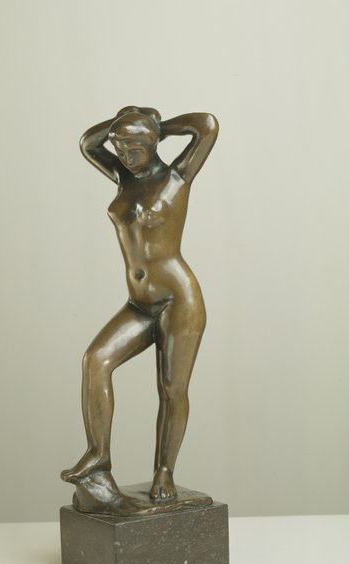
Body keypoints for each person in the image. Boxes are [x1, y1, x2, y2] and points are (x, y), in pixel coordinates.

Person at [61, 106, 218, 501]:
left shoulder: (177, 177)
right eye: (120, 148)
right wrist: (125, 122)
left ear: (153, 144)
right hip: (139, 303)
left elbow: (206, 125)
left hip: (179, 300)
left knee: (171, 389)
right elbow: (88, 142)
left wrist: (157, 126)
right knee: (95, 360)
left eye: (134, 148)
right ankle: (98, 456)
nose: (126, 156)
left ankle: (164, 472)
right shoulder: (122, 177)